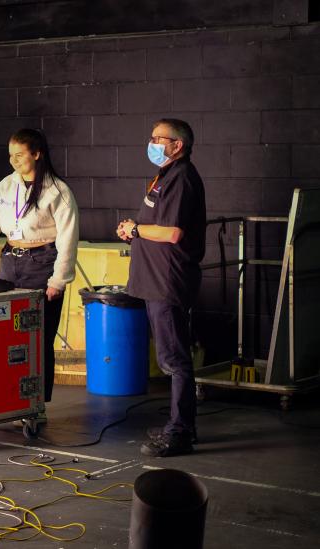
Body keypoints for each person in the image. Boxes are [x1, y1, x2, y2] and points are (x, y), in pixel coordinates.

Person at [0, 128, 78, 424]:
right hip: (10, 261)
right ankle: (6, 398)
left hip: (42, 263)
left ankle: (35, 404)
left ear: (37, 154)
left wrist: (58, 280)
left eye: (20, 155)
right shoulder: (6, 186)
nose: (14, 161)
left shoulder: (57, 191)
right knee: (4, 333)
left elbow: (68, 239)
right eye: (11, 155)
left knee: (38, 336)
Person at [118, 118, 206, 457]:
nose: (152, 143)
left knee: (174, 359)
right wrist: (133, 231)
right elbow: (156, 225)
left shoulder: (182, 178)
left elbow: (172, 232)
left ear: (177, 145)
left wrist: (136, 229)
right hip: (155, 280)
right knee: (171, 356)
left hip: (167, 281)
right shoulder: (166, 176)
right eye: (152, 137)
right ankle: (182, 426)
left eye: (159, 138)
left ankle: (180, 432)